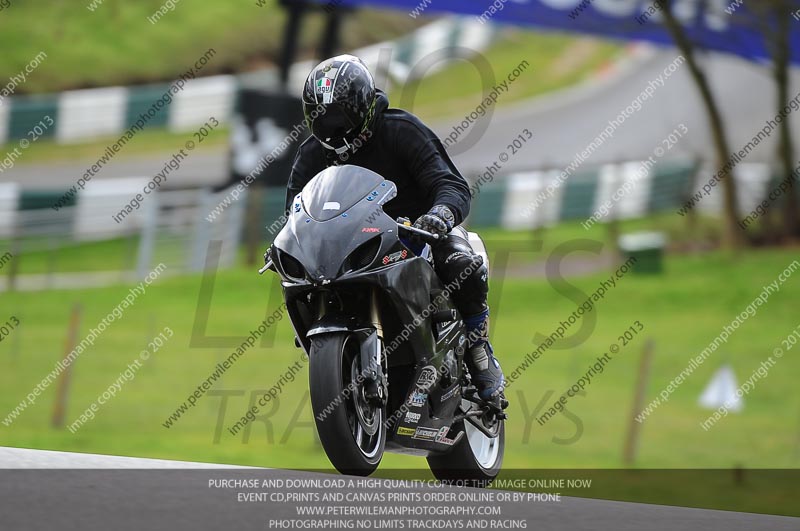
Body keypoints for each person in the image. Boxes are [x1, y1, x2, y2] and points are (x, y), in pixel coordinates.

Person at [284, 54, 504, 402]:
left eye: (340, 117)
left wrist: (441, 214)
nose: (332, 129)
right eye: (321, 119)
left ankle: (478, 348)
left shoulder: (401, 130)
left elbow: (450, 184)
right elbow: (295, 210)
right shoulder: (312, 154)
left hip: (419, 233)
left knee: (461, 264)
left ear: (362, 106)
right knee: (300, 280)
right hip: (351, 247)